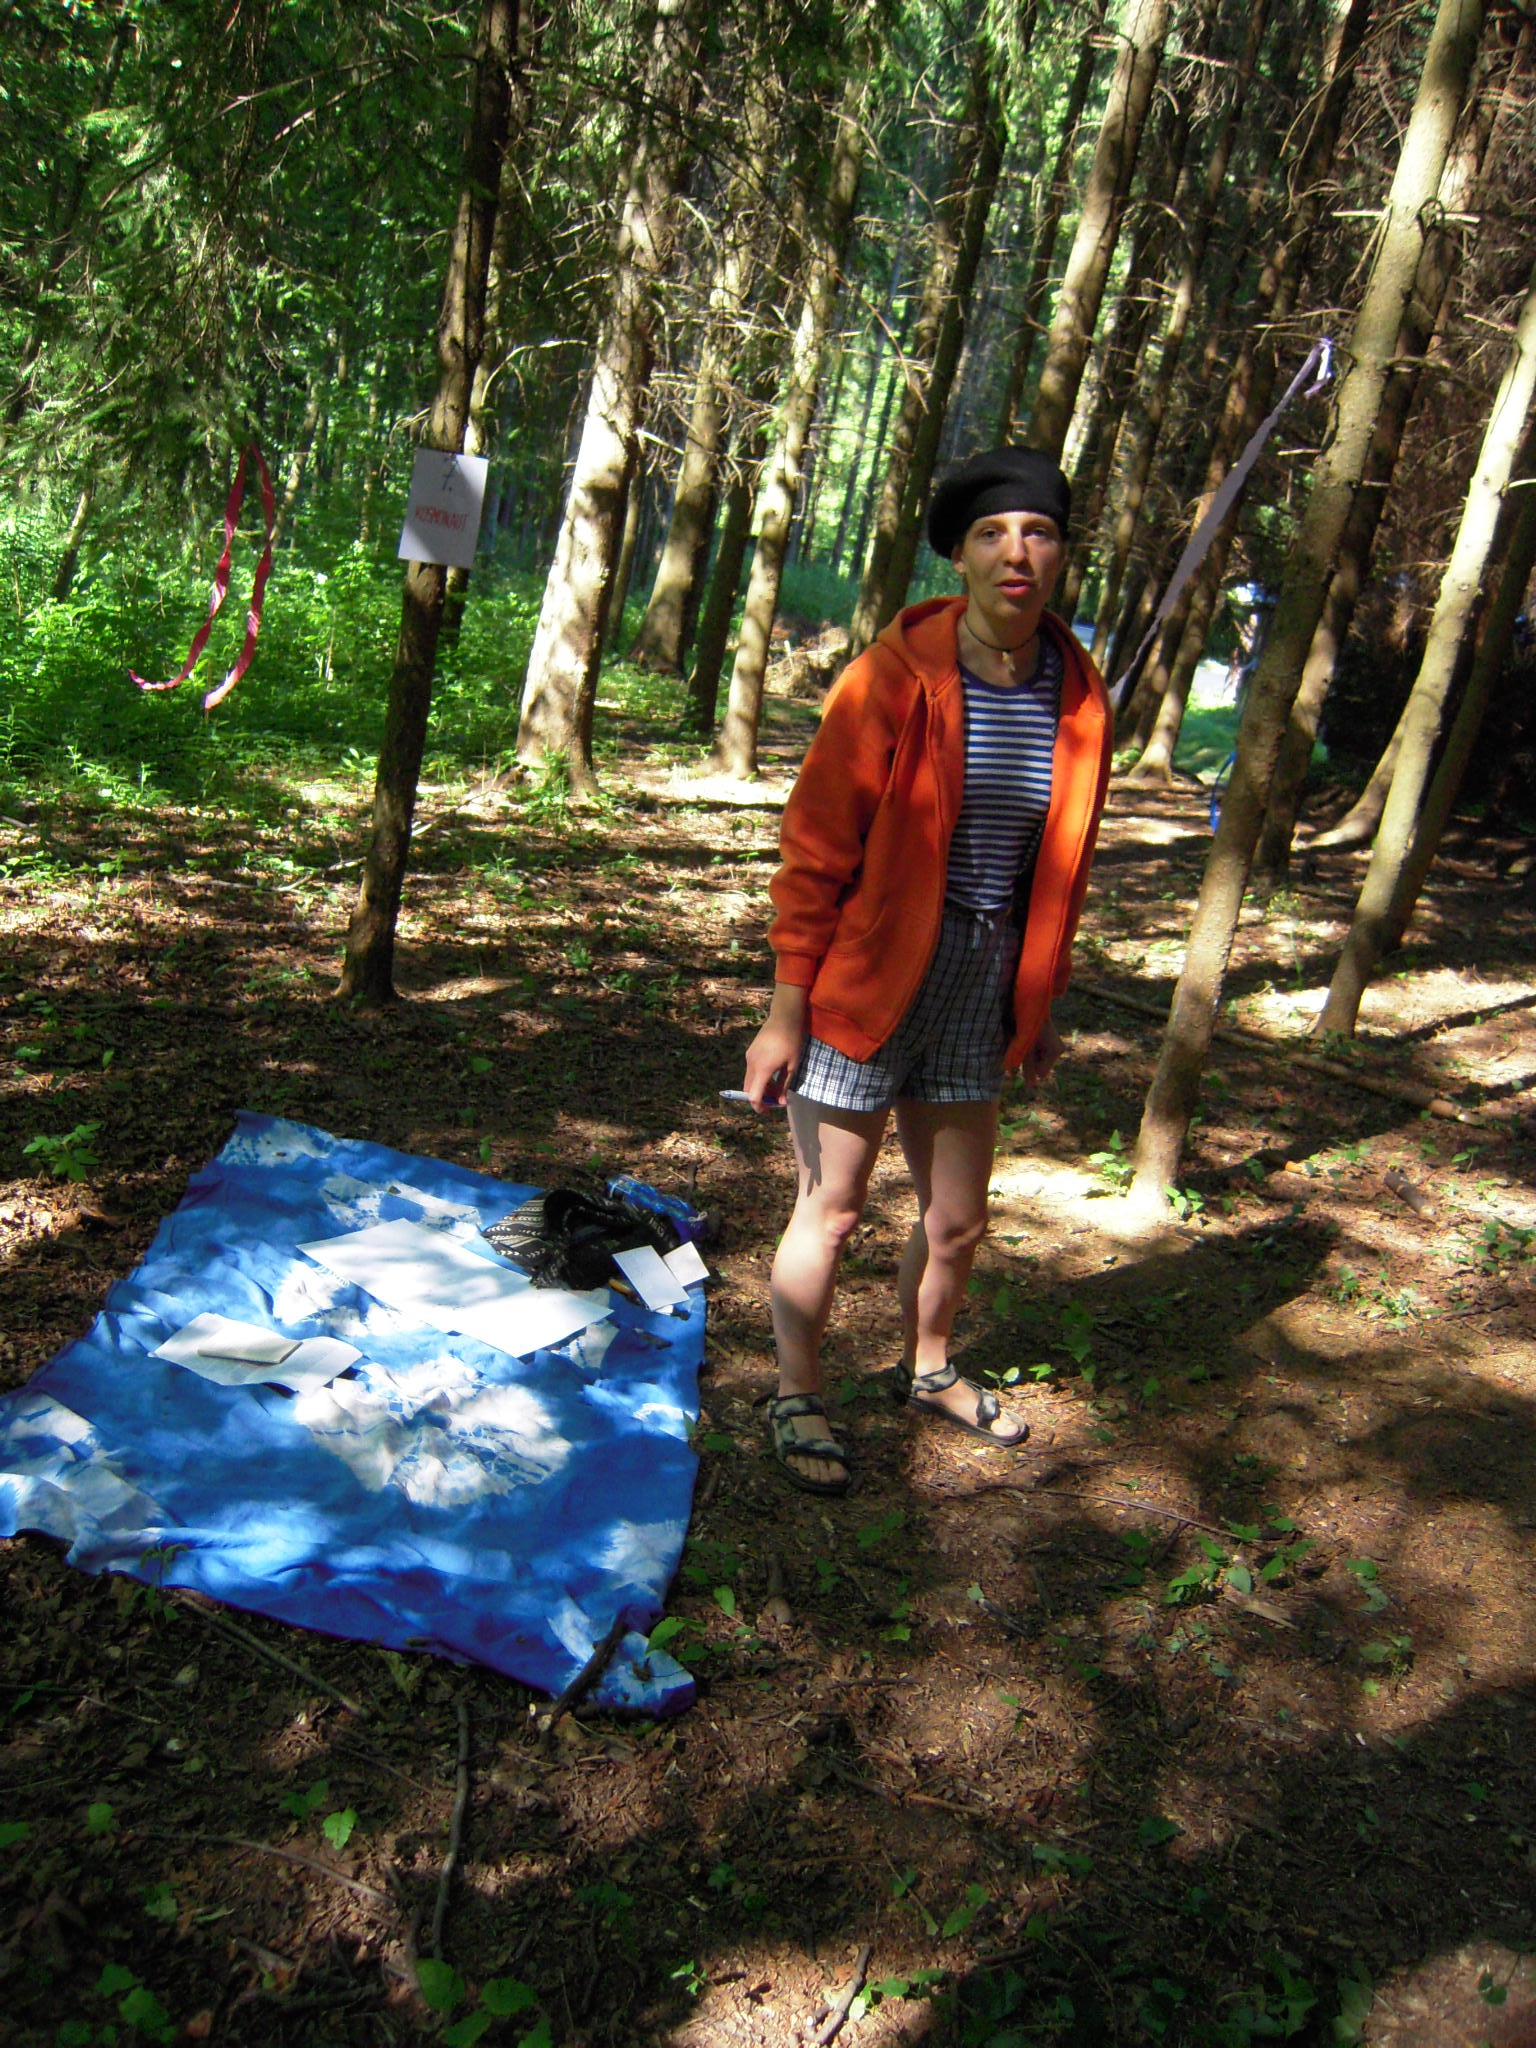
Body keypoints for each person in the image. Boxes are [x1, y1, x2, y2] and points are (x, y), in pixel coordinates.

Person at [741, 447, 1112, 1495]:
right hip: (870, 971)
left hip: (981, 978)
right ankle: (796, 1389)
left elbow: (1061, 867)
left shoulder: (1078, 694)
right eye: (993, 534)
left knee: (957, 1220)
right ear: (961, 555)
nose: (1017, 552)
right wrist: (784, 1011)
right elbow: (816, 851)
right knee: (833, 1208)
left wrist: (1037, 1001)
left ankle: (929, 1367)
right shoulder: (892, 677)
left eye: (1038, 533)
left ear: (1060, 555)